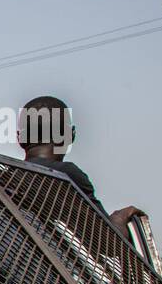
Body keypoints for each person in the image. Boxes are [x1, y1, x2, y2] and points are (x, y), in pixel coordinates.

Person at [17, 95, 142, 239]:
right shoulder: (65, 176)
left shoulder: (5, 178)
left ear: (19, 138)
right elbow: (107, 242)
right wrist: (119, 218)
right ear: (69, 135)